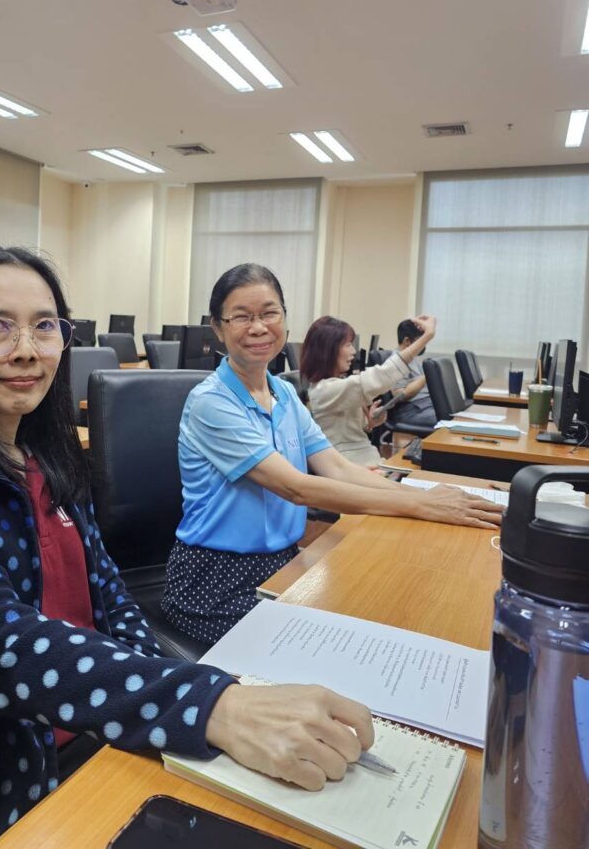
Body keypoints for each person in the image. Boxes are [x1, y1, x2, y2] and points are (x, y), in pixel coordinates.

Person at [0, 246, 375, 849]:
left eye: (44, 326)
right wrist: (208, 706)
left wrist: (193, 696)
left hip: (108, 732)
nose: (26, 349)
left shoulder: (46, 456)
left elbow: (113, 604)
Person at [162, 264, 501, 644]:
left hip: (283, 561)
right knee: (346, 644)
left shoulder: (283, 393)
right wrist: (422, 505)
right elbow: (296, 488)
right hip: (215, 580)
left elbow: (336, 467)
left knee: (383, 609)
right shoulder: (211, 402)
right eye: (241, 317)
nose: (258, 327)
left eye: (269, 313)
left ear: (284, 318)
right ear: (218, 327)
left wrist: (423, 496)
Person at [301, 314, 437, 464]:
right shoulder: (324, 390)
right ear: (328, 351)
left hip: (366, 461)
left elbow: (342, 426)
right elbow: (382, 375)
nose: (354, 351)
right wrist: (427, 335)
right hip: (354, 466)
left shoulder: (333, 386)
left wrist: (368, 422)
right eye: (348, 345)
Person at [388, 318, 438, 431]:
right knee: (447, 421)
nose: (423, 345)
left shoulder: (412, 359)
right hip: (411, 410)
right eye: (420, 341)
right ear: (407, 341)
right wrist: (427, 376)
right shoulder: (396, 361)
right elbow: (400, 395)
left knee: (455, 414)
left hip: (425, 404)